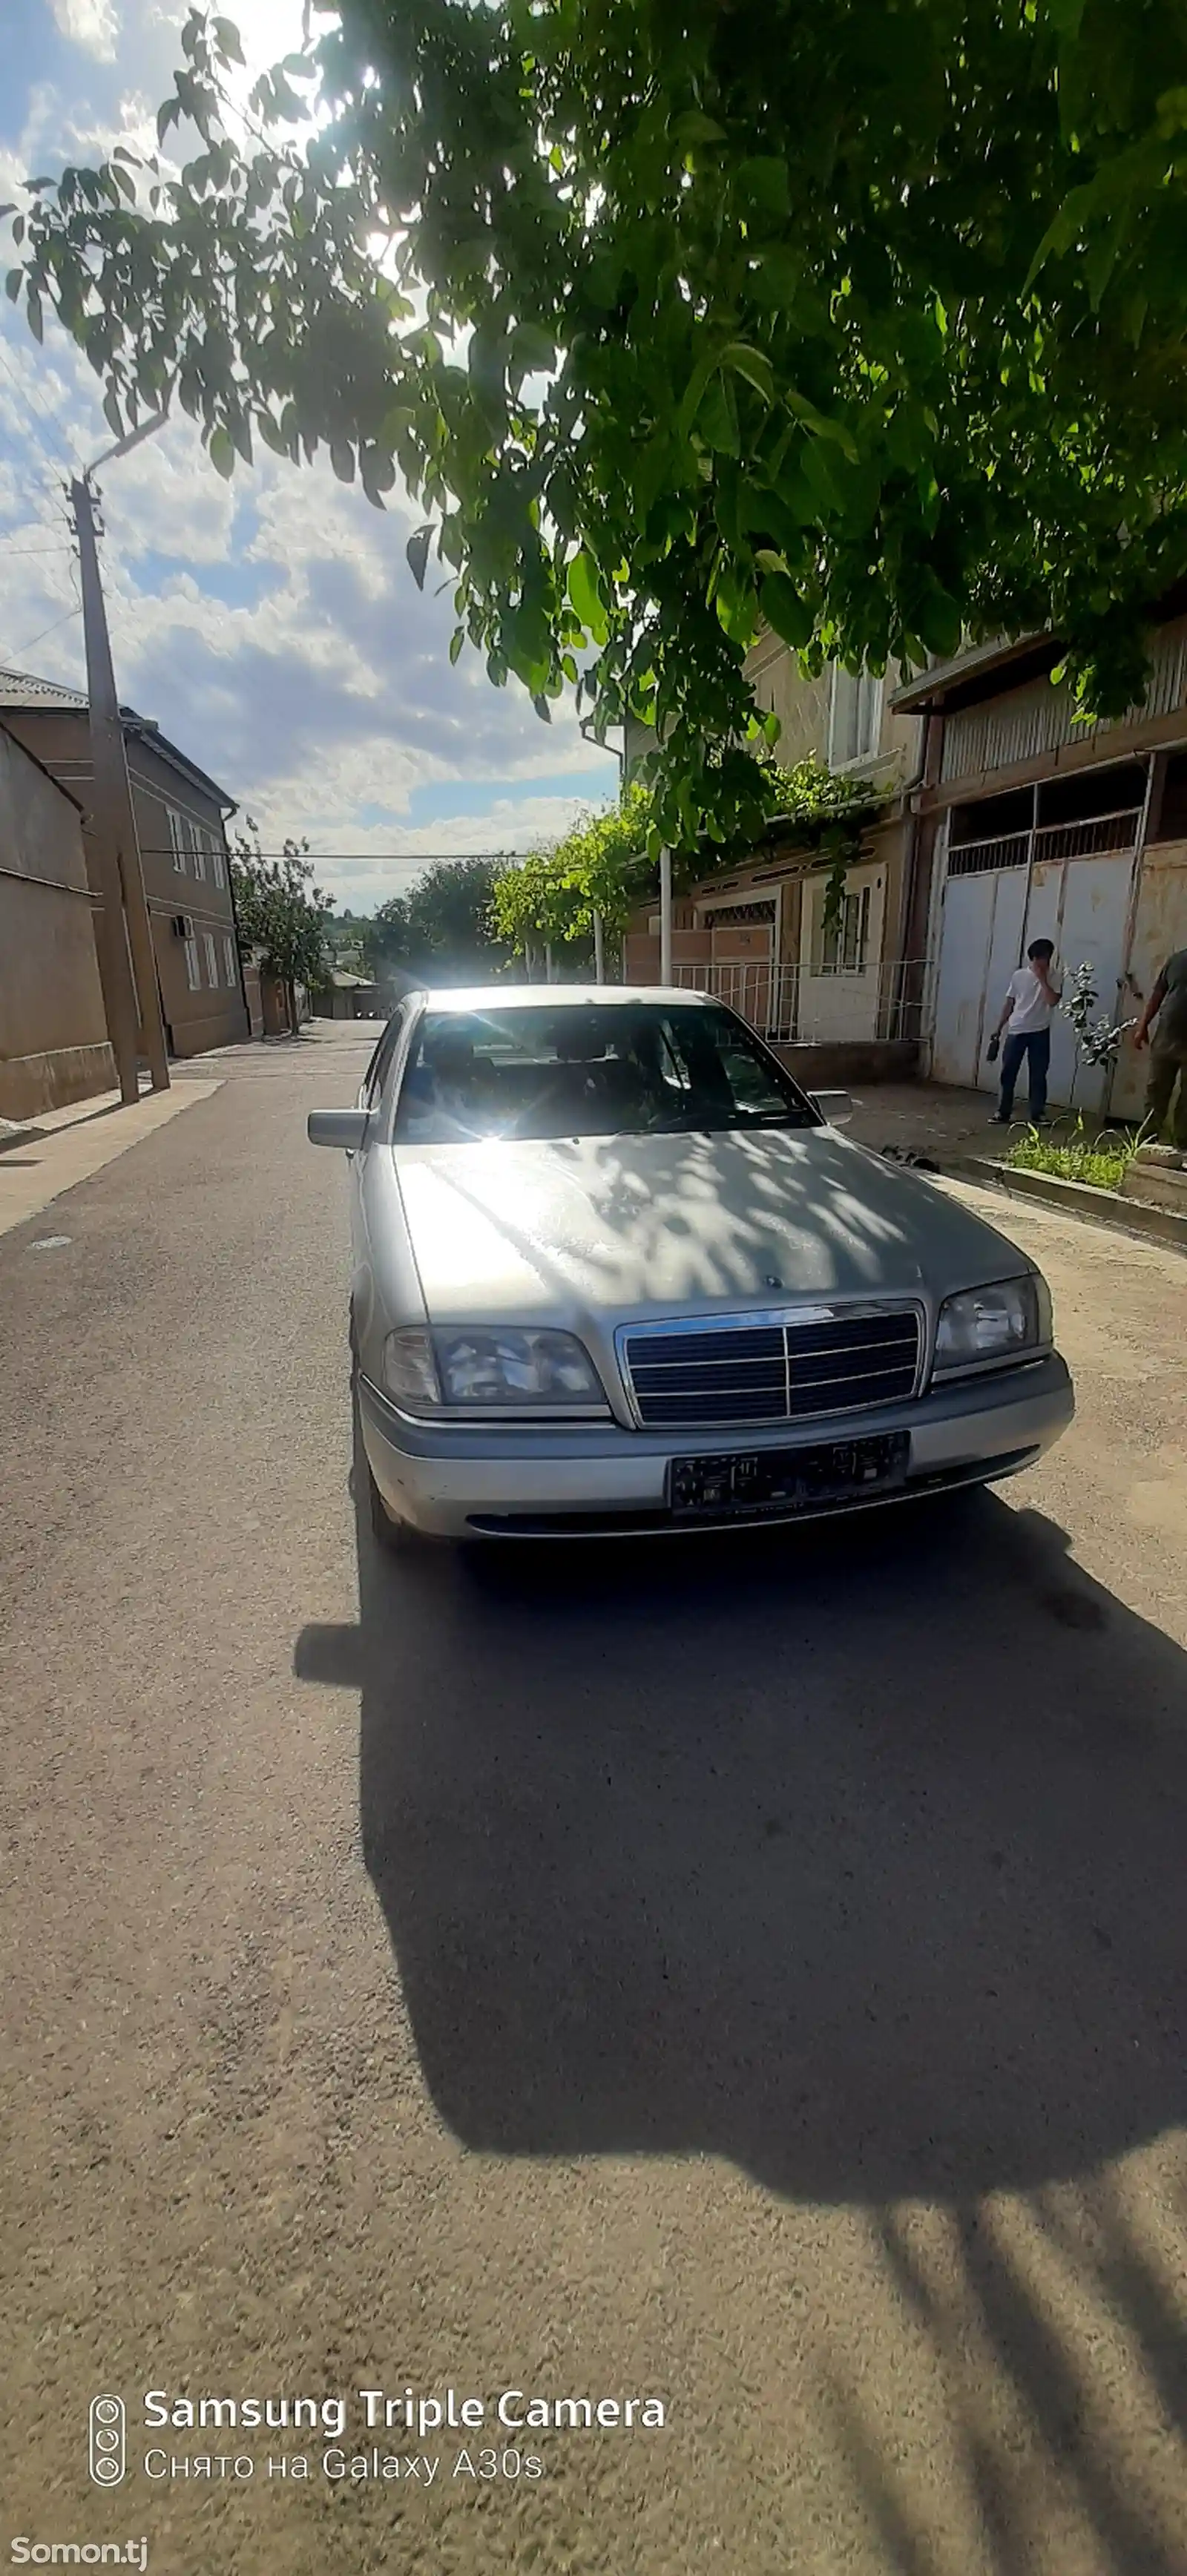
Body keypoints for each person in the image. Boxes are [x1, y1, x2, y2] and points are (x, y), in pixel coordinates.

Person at [987, 938, 1062, 1126]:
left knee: (1038, 1074)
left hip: (1040, 1031)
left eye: (1045, 958)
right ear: (1033, 958)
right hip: (1017, 1029)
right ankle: (1003, 1112)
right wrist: (999, 1028)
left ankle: (1038, 1113)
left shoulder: (1056, 977)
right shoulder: (1019, 976)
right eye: (1038, 958)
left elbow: (1052, 1001)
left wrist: (1043, 980)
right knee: (1008, 1072)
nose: (1041, 962)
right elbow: (1010, 1003)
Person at [1133, 946, 1187, 1157]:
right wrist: (1142, 1026)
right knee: (1156, 1088)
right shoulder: (1177, 960)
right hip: (1167, 1036)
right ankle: (1147, 1140)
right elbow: (1158, 993)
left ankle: (1183, 1146)